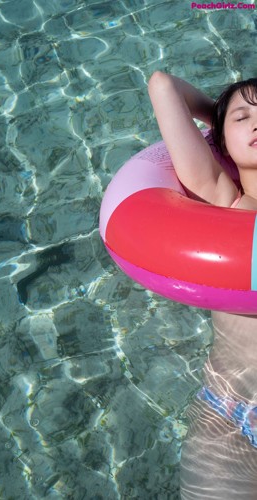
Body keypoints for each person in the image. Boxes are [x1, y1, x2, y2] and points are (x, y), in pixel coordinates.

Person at [148, 72, 257, 499]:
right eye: (243, 118)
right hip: (230, 417)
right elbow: (163, 86)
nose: (256, 124)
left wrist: (235, 117)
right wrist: (219, 113)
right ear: (220, 140)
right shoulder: (227, 202)